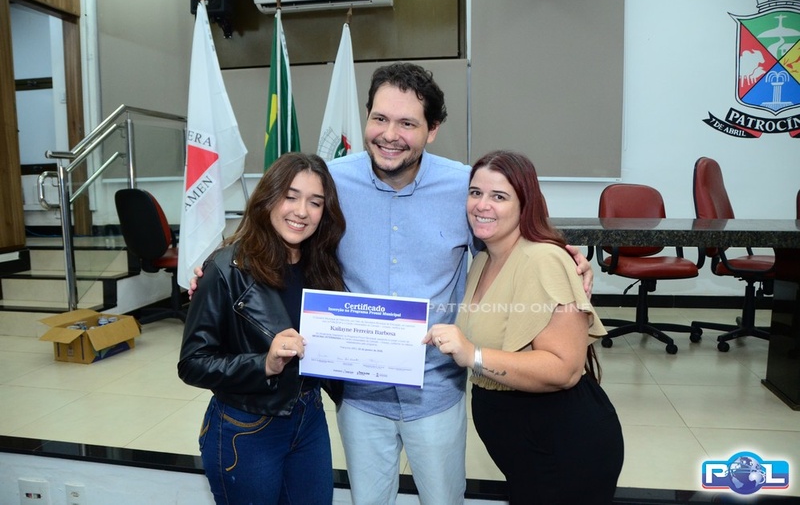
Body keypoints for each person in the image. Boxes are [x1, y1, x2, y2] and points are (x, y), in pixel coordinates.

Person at [189, 62, 593, 505]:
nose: (389, 134)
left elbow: (513, 236)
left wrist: (564, 256)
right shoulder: (331, 182)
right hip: (358, 395)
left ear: (432, 130)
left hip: (436, 391)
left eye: (407, 123)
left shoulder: (464, 187)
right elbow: (279, 226)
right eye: (379, 118)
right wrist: (217, 268)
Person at [423, 150, 624, 505]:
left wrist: (473, 355)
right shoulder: (484, 259)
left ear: (524, 204)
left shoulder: (543, 259)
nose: (482, 205)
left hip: (564, 448)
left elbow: (565, 369)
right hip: (527, 452)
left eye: (499, 196)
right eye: (475, 193)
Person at [177, 153, 346, 505]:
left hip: (309, 417)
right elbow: (192, 363)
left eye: (315, 202)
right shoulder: (227, 268)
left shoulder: (323, 267)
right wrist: (263, 364)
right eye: (290, 196)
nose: (302, 211)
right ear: (268, 197)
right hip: (247, 426)